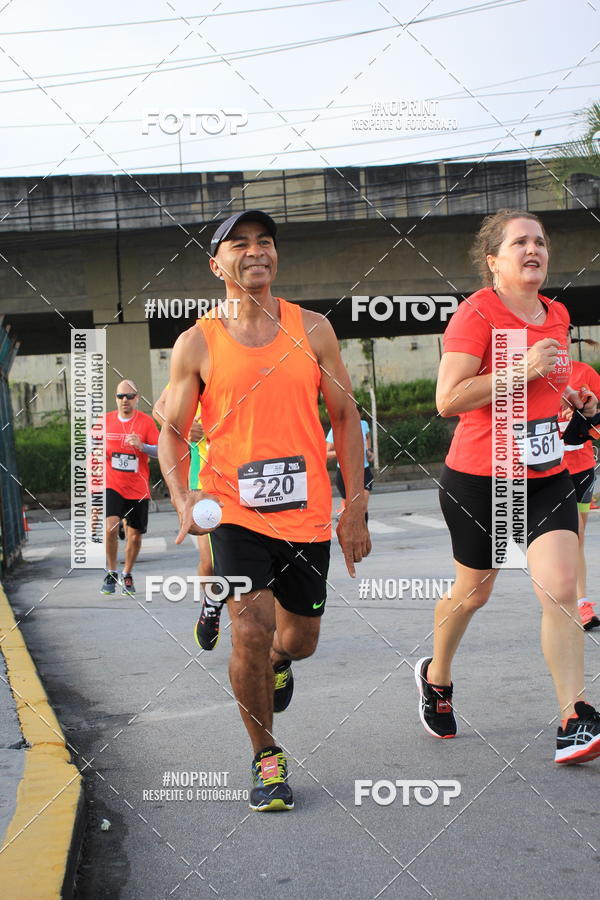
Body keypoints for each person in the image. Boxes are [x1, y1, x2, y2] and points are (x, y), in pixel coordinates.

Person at [158, 209, 370, 811]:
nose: (256, 252)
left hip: (305, 515)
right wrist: (184, 496)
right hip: (234, 513)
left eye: (265, 242)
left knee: (297, 640)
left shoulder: (314, 330)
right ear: (216, 263)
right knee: (248, 628)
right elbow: (171, 432)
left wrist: (355, 503)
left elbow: (346, 417)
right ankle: (266, 757)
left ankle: (282, 660)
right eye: (240, 244)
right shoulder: (197, 341)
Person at [416, 208, 600, 764]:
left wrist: (577, 404)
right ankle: (436, 676)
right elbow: (447, 398)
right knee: (474, 593)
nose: (533, 249)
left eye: (540, 241)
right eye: (519, 242)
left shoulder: (558, 313)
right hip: (479, 480)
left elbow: (551, 387)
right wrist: (518, 370)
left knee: (561, 590)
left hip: (546, 477)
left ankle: (574, 716)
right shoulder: (477, 314)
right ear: (493, 261)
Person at [153, 386, 219, 648]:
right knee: (209, 560)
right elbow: (159, 406)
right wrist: (184, 425)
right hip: (203, 481)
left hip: (244, 478)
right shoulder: (196, 364)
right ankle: (211, 604)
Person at [101, 380, 159, 596]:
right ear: (116, 399)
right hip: (112, 483)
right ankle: (111, 570)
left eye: (129, 396)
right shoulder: (104, 422)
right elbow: (91, 451)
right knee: (111, 527)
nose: (124, 400)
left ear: (136, 398)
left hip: (137, 487)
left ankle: (127, 572)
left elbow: (160, 451)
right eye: (120, 396)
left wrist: (142, 446)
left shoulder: (146, 422)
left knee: (135, 536)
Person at [559, 333, 600, 629]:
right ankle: (562, 600)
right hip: (545, 470)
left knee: (577, 536)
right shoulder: (533, 375)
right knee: (560, 538)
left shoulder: (585, 373)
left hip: (581, 467)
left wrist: (591, 412)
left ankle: (581, 604)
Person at [326, 408, 374, 520]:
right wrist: (342, 451)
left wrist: (369, 450)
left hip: (363, 470)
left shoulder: (363, 424)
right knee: (351, 509)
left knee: (362, 506)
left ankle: (363, 534)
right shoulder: (336, 429)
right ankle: (347, 527)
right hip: (344, 474)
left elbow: (367, 437)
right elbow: (326, 453)